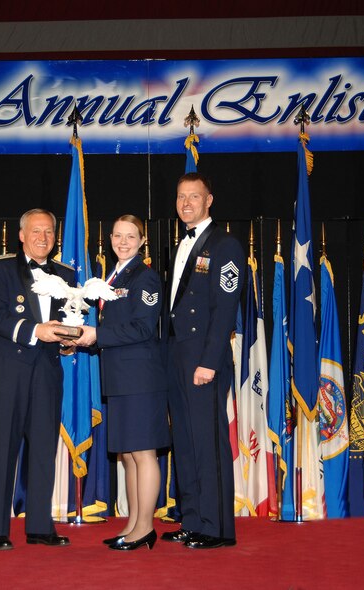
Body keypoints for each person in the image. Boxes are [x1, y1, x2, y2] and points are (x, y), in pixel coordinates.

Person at [0, 208, 76, 550]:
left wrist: (68, 340)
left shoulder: (66, 273)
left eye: (49, 232)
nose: (42, 238)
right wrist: (36, 330)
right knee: (4, 448)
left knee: (43, 451)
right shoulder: (2, 269)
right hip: (10, 372)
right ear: (21, 235)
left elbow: (69, 318)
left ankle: (39, 526)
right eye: (36, 232)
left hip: (47, 372)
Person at [73, 215, 168, 551]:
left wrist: (96, 334)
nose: (124, 242)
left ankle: (145, 528)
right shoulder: (113, 277)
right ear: (110, 237)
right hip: (119, 377)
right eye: (118, 235)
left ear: (142, 241)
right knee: (127, 456)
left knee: (144, 454)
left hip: (140, 378)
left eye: (131, 237)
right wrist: (82, 336)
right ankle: (132, 524)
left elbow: (143, 328)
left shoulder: (145, 277)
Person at [161, 172, 243, 549]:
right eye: (181, 197)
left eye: (194, 197)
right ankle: (192, 519)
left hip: (204, 358)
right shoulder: (179, 245)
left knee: (207, 443)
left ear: (210, 200)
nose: (187, 204)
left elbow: (224, 309)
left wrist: (209, 361)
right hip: (177, 356)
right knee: (186, 441)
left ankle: (215, 527)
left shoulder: (225, 245)